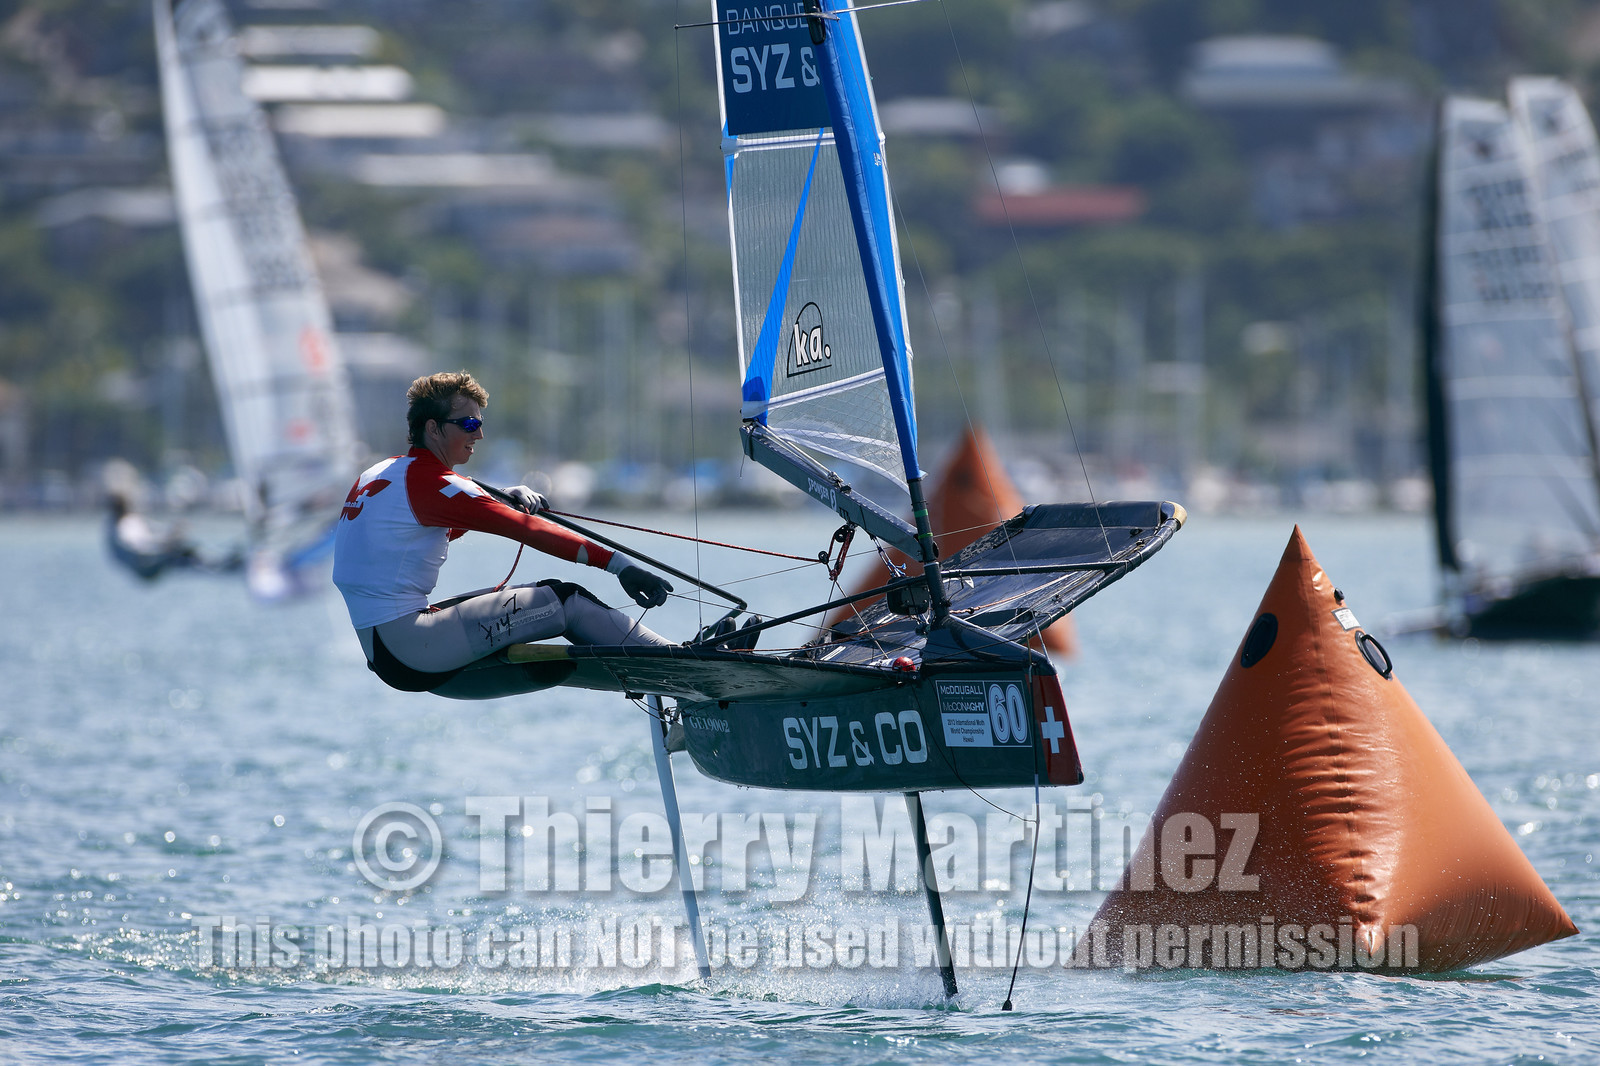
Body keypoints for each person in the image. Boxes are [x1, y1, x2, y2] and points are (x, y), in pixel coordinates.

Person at [332, 371, 676, 694]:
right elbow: (531, 530)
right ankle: (676, 660)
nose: (478, 434)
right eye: (468, 424)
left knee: (532, 594)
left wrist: (500, 499)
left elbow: (415, 539)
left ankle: (654, 654)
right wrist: (620, 565)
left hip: (385, 653)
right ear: (434, 429)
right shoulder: (436, 484)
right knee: (566, 600)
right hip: (415, 648)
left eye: (480, 424)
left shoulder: (380, 473)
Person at [106, 491, 203, 581]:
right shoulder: (116, 527)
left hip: (152, 556)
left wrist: (172, 531)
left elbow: (153, 529)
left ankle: (199, 562)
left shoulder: (132, 519)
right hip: (141, 565)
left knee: (184, 555)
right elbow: (135, 546)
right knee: (178, 555)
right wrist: (166, 541)